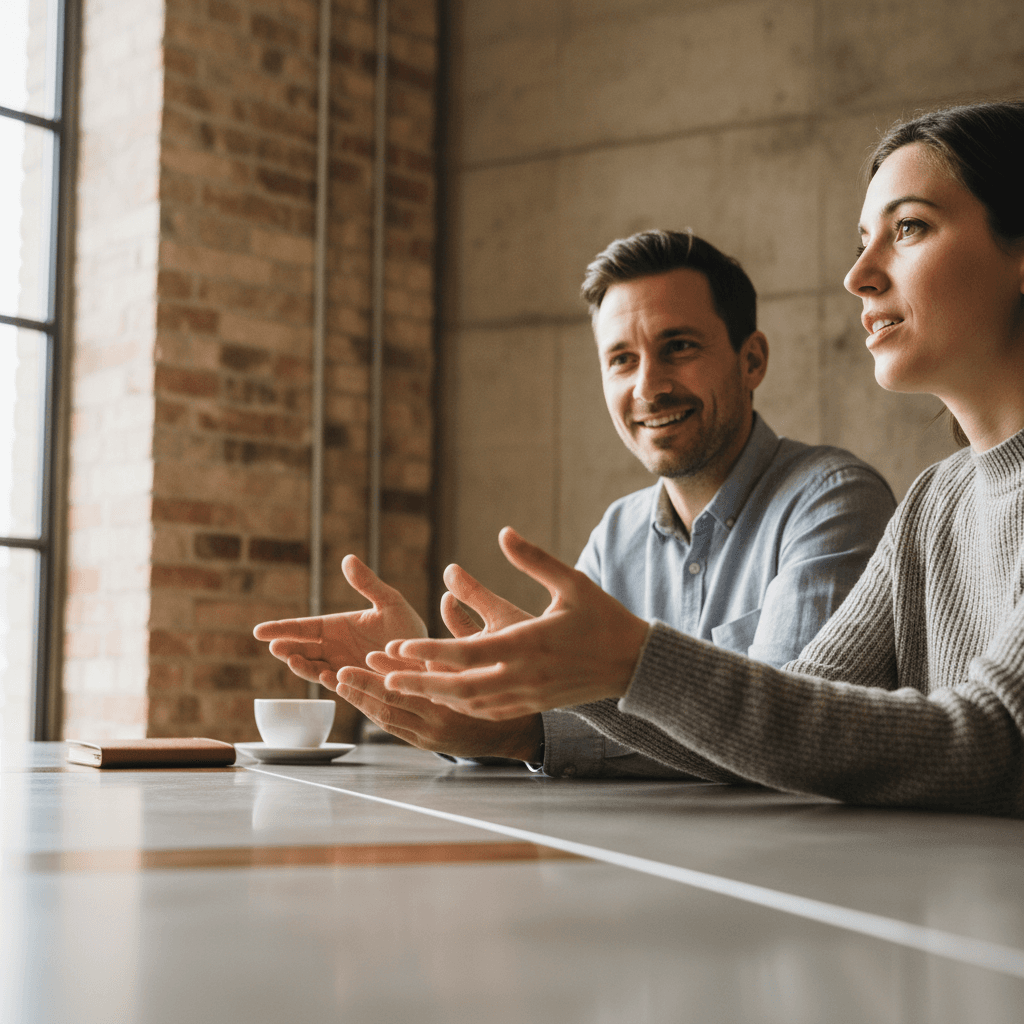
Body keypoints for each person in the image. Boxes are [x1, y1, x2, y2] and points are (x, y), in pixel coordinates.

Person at [383, 100, 1024, 816]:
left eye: (909, 228)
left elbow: (995, 741)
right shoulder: (935, 499)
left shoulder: (842, 494)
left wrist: (625, 665)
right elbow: (789, 730)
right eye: (861, 241)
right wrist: (544, 686)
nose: (859, 277)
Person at [254, 232, 895, 776]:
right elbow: (554, 709)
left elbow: (794, 732)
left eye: (679, 347)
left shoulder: (832, 500)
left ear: (750, 360)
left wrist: (523, 730)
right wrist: (441, 680)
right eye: (621, 359)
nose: (648, 385)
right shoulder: (618, 534)